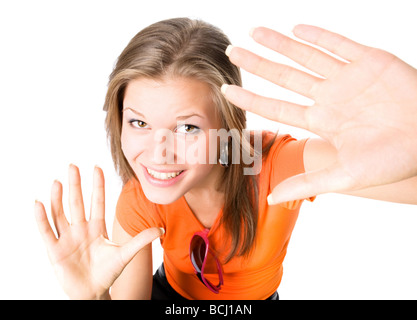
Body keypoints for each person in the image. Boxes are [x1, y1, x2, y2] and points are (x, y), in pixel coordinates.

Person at [34, 18, 417, 300]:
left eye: (187, 128)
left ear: (228, 125)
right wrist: (91, 298)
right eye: (138, 122)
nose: (157, 153)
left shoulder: (267, 163)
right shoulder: (141, 197)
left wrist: (411, 133)